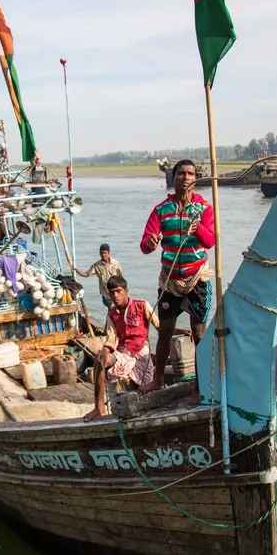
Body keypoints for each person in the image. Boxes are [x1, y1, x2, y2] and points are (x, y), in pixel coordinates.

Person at [137, 159, 214, 394]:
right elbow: (145, 245)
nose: (186, 177)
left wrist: (198, 228)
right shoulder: (162, 210)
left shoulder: (204, 208)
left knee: (199, 335)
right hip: (170, 279)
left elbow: (210, 241)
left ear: (195, 179)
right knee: (165, 332)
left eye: (191, 174)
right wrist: (150, 242)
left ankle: (199, 387)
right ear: (174, 177)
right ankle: (158, 380)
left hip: (196, 279)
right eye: (181, 173)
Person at [84, 275, 162, 421]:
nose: (115, 295)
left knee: (141, 393)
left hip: (141, 352)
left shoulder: (142, 305)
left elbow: (160, 327)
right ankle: (99, 407)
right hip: (123, 353)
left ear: (126, 291)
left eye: (118, 291)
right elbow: (111, 338)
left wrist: (181, 331)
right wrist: (104, 350)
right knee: (99, 361)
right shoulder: (112, 313)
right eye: (112, 292)